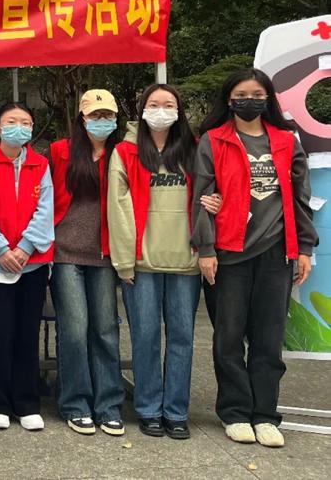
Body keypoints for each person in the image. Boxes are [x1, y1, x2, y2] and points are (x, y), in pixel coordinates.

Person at [193, 68, 316, 448]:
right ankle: (234, 411)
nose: (250, 101)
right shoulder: (213, 141)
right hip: (229, 254)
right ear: (229, 101)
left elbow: (300, 198)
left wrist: (305, 248)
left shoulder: (285, 141)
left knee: (268, 339)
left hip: (276, 254)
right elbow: (201, 198)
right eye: (242, 95)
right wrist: (206, 248)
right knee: (228, 338)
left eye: (258, 95)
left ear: (268, 100)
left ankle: (265, 415)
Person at [109, 83, 218, 441]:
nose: (161, 110)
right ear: (142, 109)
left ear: (179, 110)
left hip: (186, 260)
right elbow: (118, 209)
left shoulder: (195, 149)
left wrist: (214, 210)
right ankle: (148, 409)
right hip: (142, 262)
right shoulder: (126, 151)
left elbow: (213, 192)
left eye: (168, 104)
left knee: (183, 337)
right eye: (154, 104)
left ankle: (176, 411)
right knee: (145, 337)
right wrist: (124, 261)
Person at [47, 90, 125, 436]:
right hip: (66, 252)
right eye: (95, 115)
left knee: (105, 329)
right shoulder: (60, 151)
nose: (101, 121)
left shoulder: (123, 153)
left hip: (105, 253)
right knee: (74, 330)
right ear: (82, 118)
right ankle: (75, 403)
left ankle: (109, 404)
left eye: (107, 115)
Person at [0, 102, 54, 433]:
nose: (18, 127)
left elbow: (46, 209)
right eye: (11, 121)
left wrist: (24, 247)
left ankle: (27, 402)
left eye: (25, 122)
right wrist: (1, 249)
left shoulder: (40, 164)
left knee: (26, 333)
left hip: (32, 264)